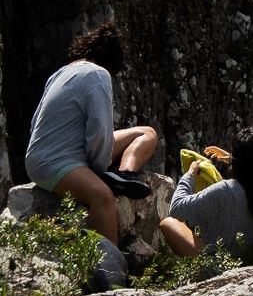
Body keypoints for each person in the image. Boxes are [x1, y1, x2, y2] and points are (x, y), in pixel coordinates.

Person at [23, 21, 160, 247]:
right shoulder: (98, 74)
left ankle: (124, 175)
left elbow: (36, 121)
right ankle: (111, 274)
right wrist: (98, 170)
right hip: (56, 161)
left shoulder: (60, 73)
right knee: (102, 197)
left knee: (146, 133)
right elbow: (99, 129)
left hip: (43, 154)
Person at [159, 127, 253, 263]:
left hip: (221, 267)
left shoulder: (226, 191)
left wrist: (190, 174)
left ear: (238, 162)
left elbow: (176, 209)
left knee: (168, 223)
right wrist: (230, 158)